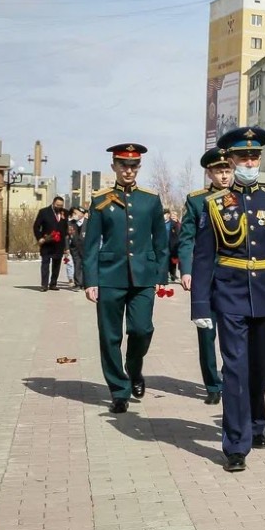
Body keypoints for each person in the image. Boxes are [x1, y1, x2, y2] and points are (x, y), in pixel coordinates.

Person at [190, 127, 265, 472]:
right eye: (242, 157)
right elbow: (204, 257)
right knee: (235, 369)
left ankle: (256, 423)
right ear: (231, 160)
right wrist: (199, 305)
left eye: (254, 156)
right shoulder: (215, 205)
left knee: (260, 367)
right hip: (230, 294)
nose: (249, 162)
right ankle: (236, 444)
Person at [82, 144, 168, 414]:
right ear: (114, 167)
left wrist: (161, 275)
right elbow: (91, 243)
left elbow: (161, 242)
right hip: (110, 275)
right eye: (123, 165)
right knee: (109, 336)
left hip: (143, 276)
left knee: (142, 329)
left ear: (138, 168)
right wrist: (90, 280)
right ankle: (119, 390)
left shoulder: (150, 199)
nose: (128, 170)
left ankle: (134, 368)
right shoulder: (101, 199)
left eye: (133, 166)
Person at [178, 148, 234, 406]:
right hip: (206, 276)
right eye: (219, 171)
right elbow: (187, 238)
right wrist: (187, 270)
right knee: (206, 332)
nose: (224, 176)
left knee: (234, 331)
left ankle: (232, 379)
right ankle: (212, 384)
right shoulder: (196, 201)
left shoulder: (241, 198)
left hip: (234, 275)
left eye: (227, 170)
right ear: (209, 173)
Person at [33, 196, 68, 291]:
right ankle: (44, 285)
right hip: (47, 242)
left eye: (61, 205)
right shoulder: (44, 212)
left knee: (57, 264)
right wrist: (39, 237)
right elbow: (36, 226)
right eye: (57, 205)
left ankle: (53, 283)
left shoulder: (65, 212)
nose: (59, 207)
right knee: (45, 263)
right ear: (53, 203)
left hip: (59, 243)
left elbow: (66, 227)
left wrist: (66, 240)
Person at [66, 208, 86, 289]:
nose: (74, 215)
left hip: (86, 248)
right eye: (73, 213)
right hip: (74, 248)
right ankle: (78, 283)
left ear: (82, 213)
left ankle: (86, 283)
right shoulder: (70, 224)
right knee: (77, 264)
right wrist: (67, 247)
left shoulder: (89, 222)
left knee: (86, 265)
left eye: (76, 213)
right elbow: (66, 237)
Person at [166, 210, 181, 282]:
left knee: (173, 261)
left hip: (174, 245)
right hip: (166, 245)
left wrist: (177, 223)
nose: (173, 217)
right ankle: (167, 275)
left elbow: (179, 234)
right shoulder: (166, 223)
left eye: (174, 216)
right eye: (172, 216)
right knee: (166, 261)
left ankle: (173, 275)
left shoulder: (177, 224)